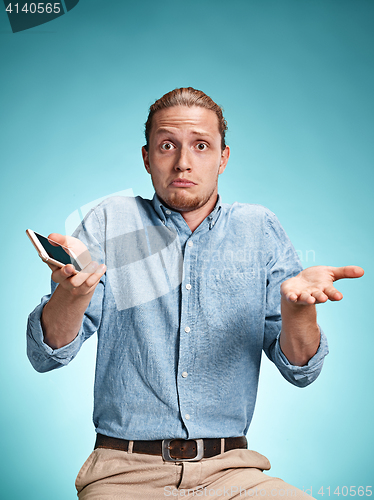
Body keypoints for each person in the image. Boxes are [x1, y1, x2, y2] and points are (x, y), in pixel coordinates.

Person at [27, 87, 364, 499]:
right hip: (124, 475)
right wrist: (73, 295)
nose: (183, 162)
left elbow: (301, 371)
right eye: (167, 145)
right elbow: (46, 356)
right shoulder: (111, 221)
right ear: (147, 157)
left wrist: (298, 313)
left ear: (223, 157)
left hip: (232, 473)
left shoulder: (259, 229)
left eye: (201, 146)